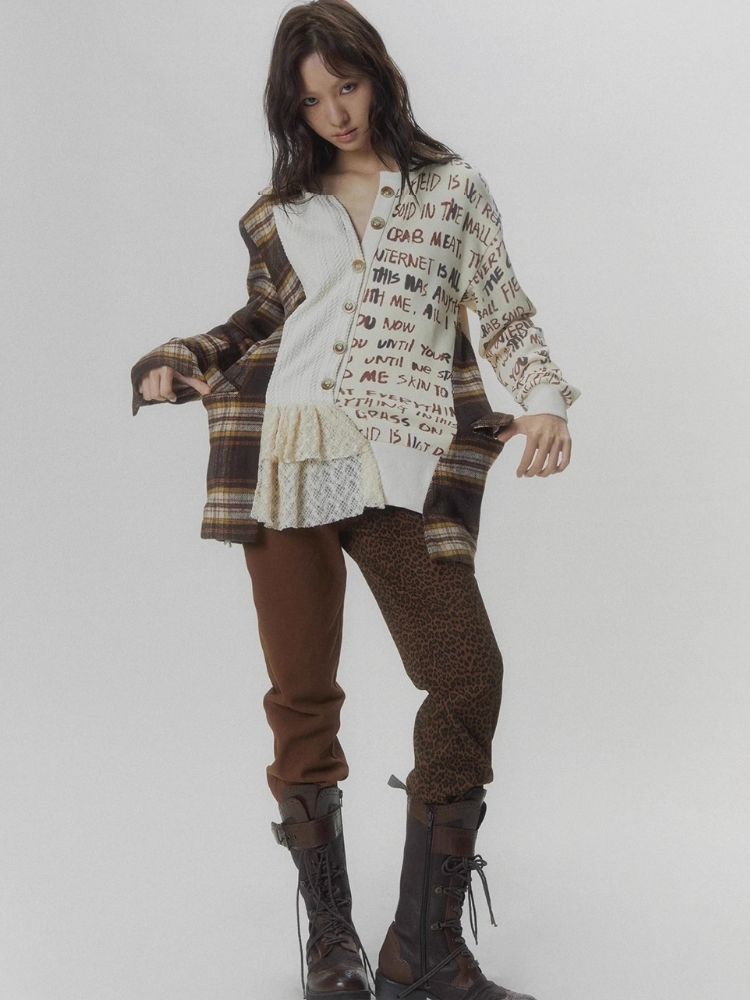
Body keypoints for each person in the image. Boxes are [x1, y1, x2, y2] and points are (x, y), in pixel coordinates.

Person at [130, 2, 581, 998]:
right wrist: (179, 362)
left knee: (465, 674)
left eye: (348, 85)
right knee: (302, 701)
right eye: (313, 99)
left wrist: (544, 402)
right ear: (291, 109)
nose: (336, 112)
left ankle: (424, 949)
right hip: (285, 459)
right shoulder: (279, 211)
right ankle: (332, 943)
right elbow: (259, 321)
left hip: (398, 466)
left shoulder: (451, 188)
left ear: (378, 76)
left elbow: (504, 310)